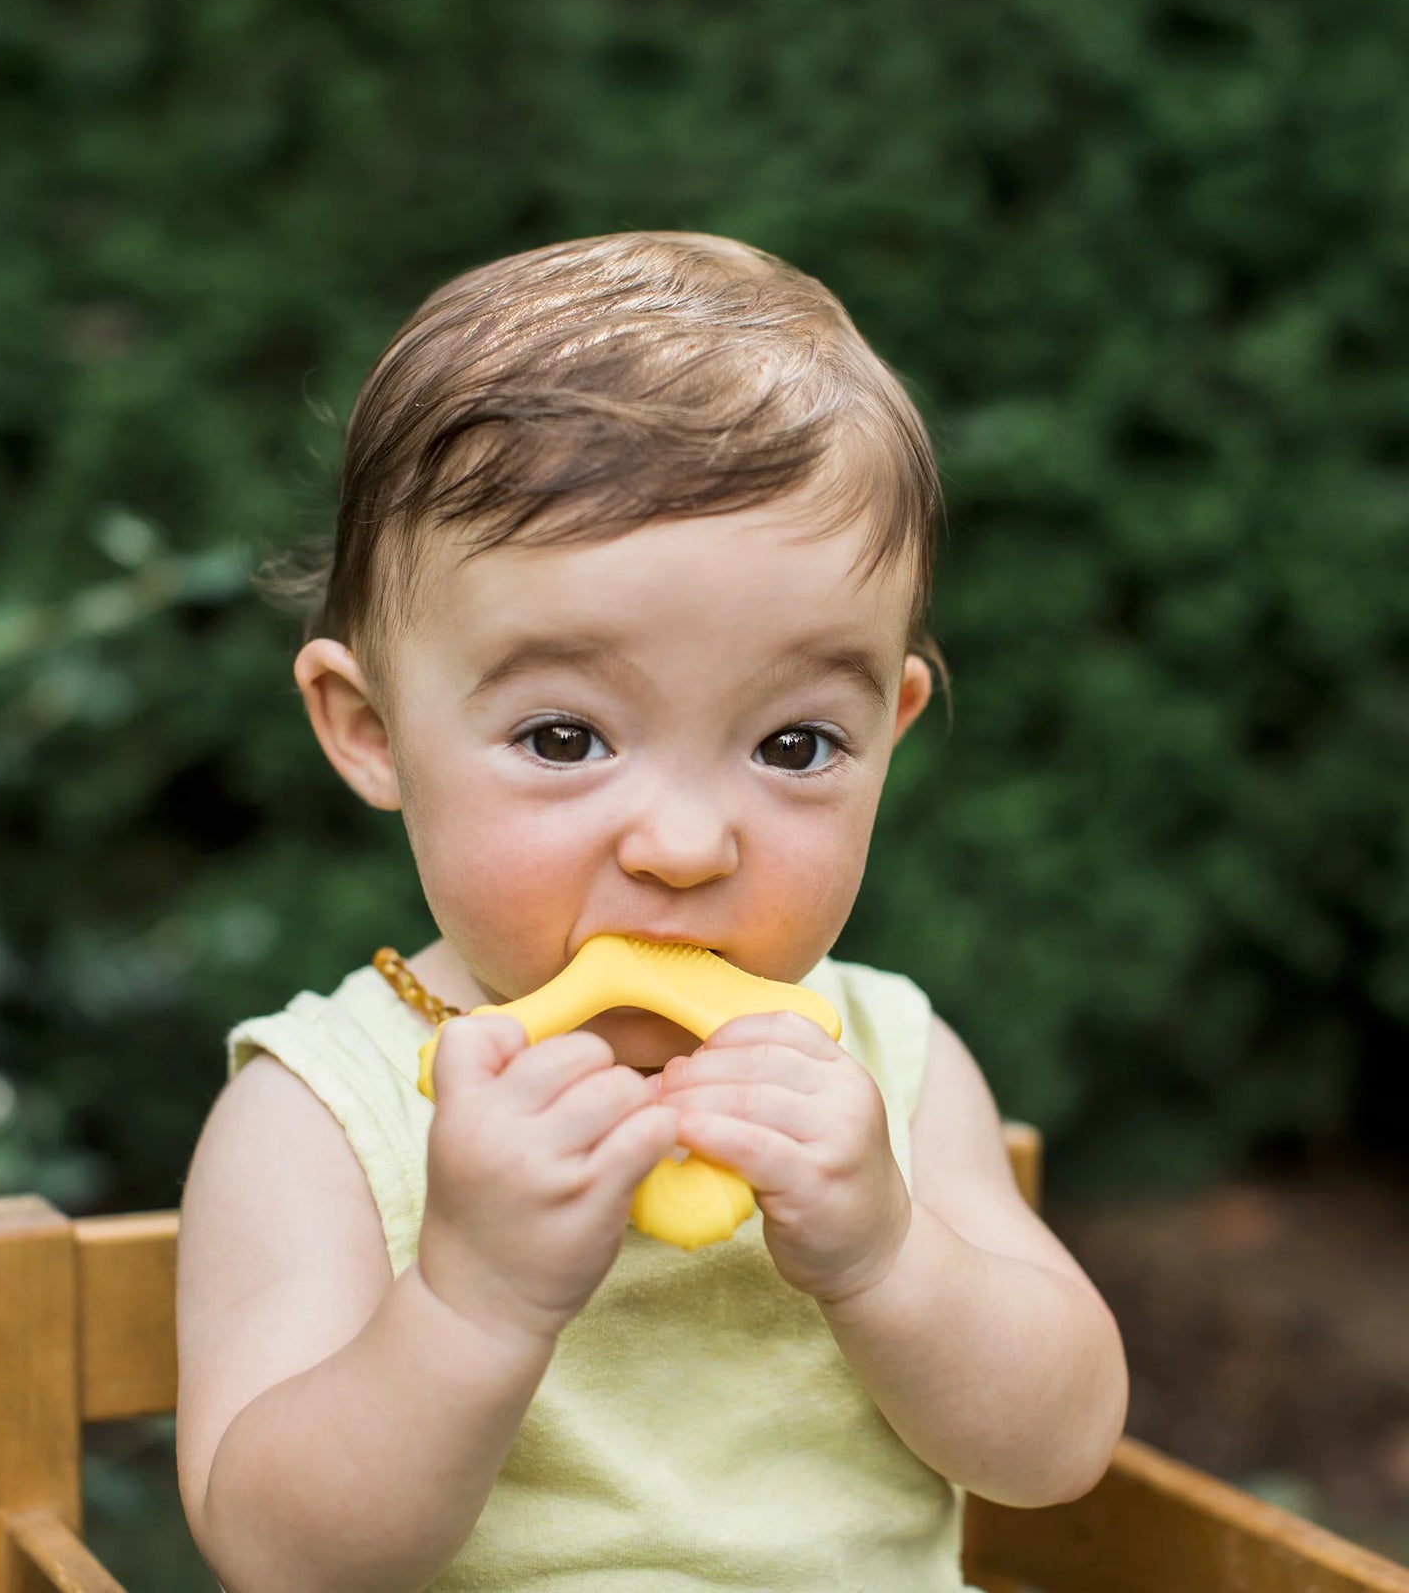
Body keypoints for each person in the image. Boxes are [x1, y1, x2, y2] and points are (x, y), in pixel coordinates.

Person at [174, 232, 1128, 1593]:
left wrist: (886, 1256)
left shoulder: (889, 1064)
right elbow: (279, 1556)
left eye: (795, 745)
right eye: (564, 738)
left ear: (890, 732)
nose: (686, 845)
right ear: (372, 729)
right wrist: (472, 1302)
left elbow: (1061, 1448)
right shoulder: (323, 1113)